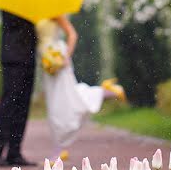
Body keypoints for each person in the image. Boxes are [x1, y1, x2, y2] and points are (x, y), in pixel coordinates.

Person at [37, 15, 125, 159]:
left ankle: (59, 149)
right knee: (56, 103)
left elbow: (72, 34)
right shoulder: (34, 13)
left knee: (62, 102)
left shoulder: (55, 12)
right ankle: (106, 91)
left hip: (58, 58)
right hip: (46, 62)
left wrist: (65, 56)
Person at [0, 11, 39, 166]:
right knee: (9, 105)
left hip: (29, 59)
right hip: (14, 58)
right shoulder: (11, 3)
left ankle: (14, 152)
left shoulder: (33, 3)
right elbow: (14, 25)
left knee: (23, 107)